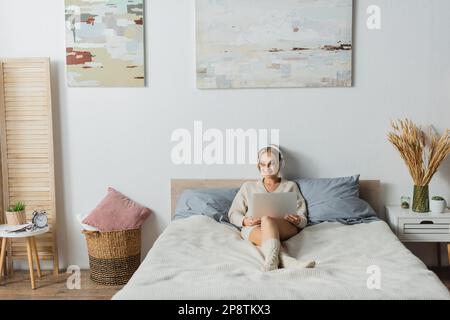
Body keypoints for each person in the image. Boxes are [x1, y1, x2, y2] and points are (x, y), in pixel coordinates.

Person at [228, 145, 315, 271]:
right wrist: (245, 221)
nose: (266, 168)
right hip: (254, 228)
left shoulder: (290, 186)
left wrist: (298, 220)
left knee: (268, 219)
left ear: (280, 164)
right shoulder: (248, 187)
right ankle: (287, 261)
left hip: (285, 226)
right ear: (258, 165)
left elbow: (302, 216)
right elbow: (233, 213)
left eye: (270, 164)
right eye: (262, 164)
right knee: (266, 220)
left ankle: (273, 262)